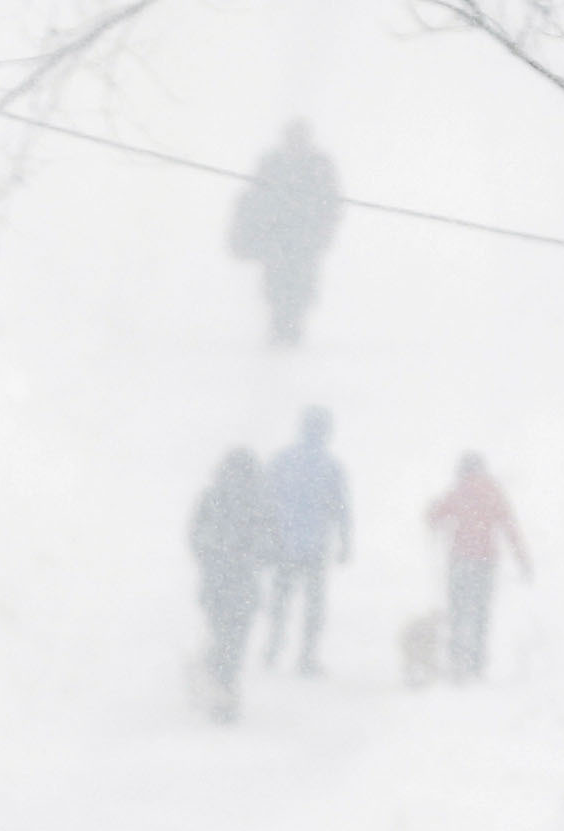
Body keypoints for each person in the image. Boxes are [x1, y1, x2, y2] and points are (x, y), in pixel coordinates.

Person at [230, 122, 342, 343]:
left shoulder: (319, 164)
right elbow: (255, 197)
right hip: (276, 235)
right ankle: (280, 325)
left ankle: (292, 326)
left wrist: (321, 230)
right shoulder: (272, 163)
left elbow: (332, 202)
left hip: (305, 238)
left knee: (300, 287)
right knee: (277, 284)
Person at [264, 409, 354, 674]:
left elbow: (265, 501)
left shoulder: (282, 460)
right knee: (313, 604)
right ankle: (306, 656)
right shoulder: (331, 466)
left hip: (284, 543)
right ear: (325, 431)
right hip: (315, 545)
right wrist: (346, 541)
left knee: (281, 598)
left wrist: (266, 536)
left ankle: (273, 646)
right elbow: (341, 507)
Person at [425, 455, 529, 683]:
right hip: (485, 561)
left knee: (458, 612)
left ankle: (456, 660)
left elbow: (434, 517)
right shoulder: (493, 492)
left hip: (460, 560)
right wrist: (522, 559)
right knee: (481, 612)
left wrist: (431, 510)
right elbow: (510, 527)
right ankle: (477, 663)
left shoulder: (458, 491)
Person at [187, 448, 270, 721]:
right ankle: (224, 691)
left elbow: (195, 537)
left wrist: (212, 556)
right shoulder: (257, 501)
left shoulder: (211, 497)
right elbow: (270, 543)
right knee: (234, 641)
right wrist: (249, 556)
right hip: (241, 585)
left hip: (216, 584)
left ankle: (215, 682)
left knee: (222, 637)